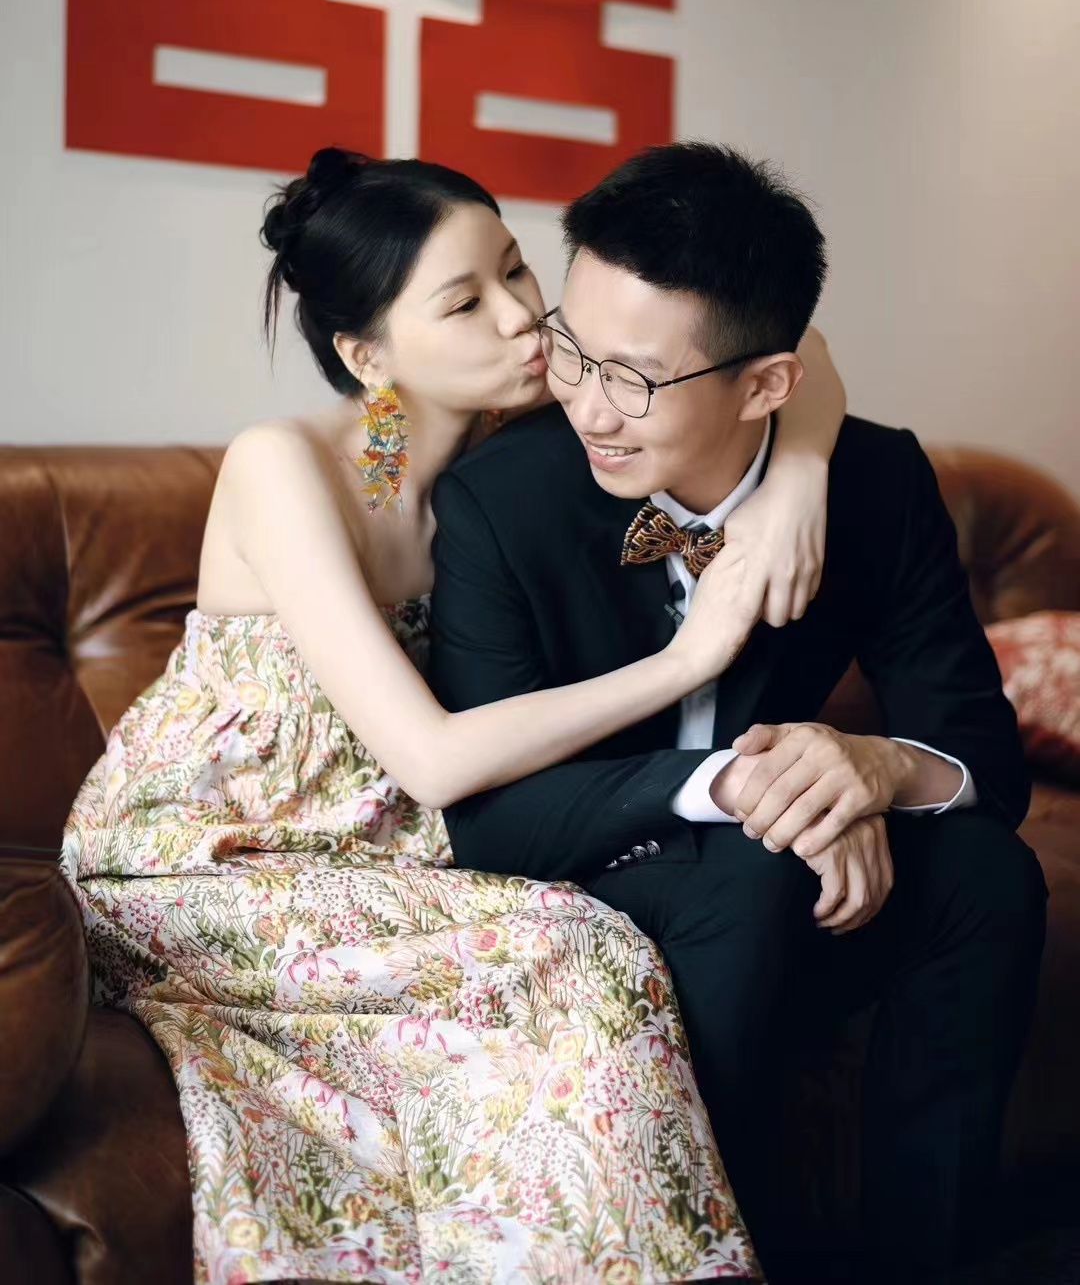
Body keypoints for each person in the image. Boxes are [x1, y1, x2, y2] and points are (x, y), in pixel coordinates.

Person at [63, 144, 849, 1285]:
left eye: (517, 270)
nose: (525, 317)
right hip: (200, 861)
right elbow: (430, 761)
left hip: (378, 856)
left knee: (591, 946)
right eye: (465, 301)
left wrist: (796, 488)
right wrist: (692, 655)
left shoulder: (493, 454)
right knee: (574, 945)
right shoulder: (286, 467)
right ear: (367, 354)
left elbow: (795, 352)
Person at [428, 141, 1048, 1285]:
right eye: (571, 349)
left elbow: (982, 761)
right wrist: (749, 791)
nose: (586, 405)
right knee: (752, 874)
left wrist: (867, 769)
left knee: (988, 876)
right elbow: (488, 823)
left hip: (766, 892)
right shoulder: (498, 499)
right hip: (592, 881)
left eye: (633, 379)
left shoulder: (874, 485)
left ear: (767, 387)